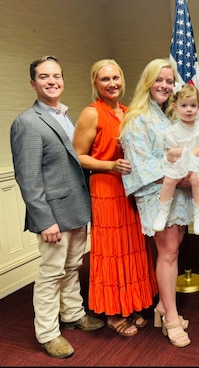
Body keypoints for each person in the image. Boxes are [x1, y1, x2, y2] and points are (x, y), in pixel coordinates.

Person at [10, 55, 105, 359]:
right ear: (33, 83)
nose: (52, 81)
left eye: (56, 76)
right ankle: (48, 333)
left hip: (77, 208)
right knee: (52, 274)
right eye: (43, 77)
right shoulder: (27, 122)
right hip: (52, 216)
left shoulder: (66, 116)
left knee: (73, 267)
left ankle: (73, 314)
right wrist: (44, 220)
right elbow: (28, 178)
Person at [72, 59, 158, 338]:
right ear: (95, 84)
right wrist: (110, 165)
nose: (112, 84)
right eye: (105, 79)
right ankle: (112, 313)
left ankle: (131, 304)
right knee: (111, 250)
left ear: (122, 79)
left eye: (115, 78)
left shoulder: (127, 111)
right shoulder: (91, 113)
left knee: (132, 247)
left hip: (131, 189)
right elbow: (79, 156)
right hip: (106, 189)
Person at [119, 58, 192, 348]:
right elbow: (141, 165)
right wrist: (179, 173)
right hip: (156, 194)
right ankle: (171, 317)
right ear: (148, 83)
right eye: (159, 80)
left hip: (179, 193)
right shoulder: (137, 118)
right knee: (168, 253)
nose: (164, 85)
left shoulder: (168, 115)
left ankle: (163, 307)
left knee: (175, 248)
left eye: (168, 80)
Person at [152, 83, 199, 235]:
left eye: (193, 105)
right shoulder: (173, 130)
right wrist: (180, 155)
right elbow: (170, 153)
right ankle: (162, 212)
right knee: (170, 179)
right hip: (179, 163)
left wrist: (190, 152)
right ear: (175, 108)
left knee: (198, 180)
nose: (189, 109)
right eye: (184, 105)